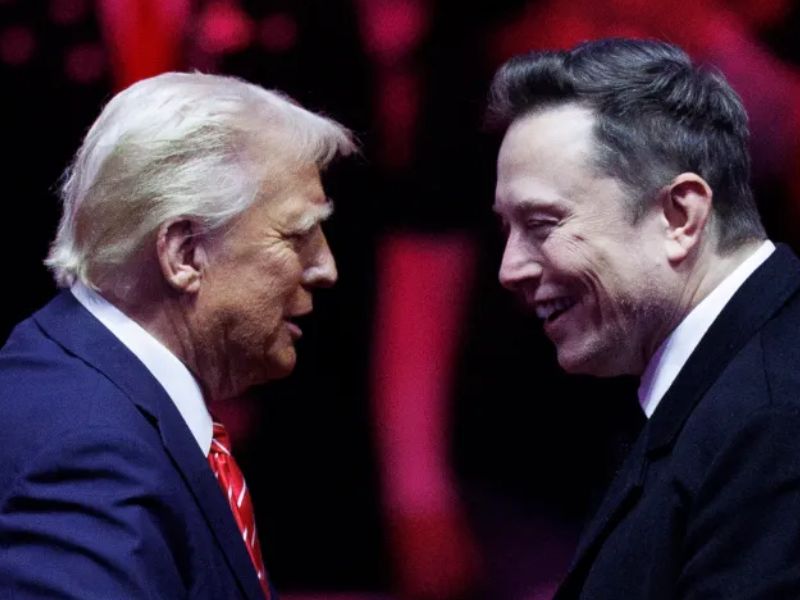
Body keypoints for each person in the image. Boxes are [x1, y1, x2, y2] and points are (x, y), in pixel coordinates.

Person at [0, 71, 354, 599]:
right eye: (298, 234)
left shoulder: (81, 384)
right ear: (185, 253)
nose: (326, 268)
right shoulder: (90, 454)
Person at [489, 38, 800, 599]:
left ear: (679, 216)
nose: (510, 269)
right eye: (506, 228)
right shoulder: (728, 385)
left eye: (541, 225)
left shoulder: (774, 419)